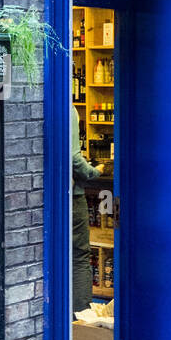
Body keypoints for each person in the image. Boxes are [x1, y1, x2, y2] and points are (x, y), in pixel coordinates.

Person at [72, 104, 101, 314]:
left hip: (45, 197)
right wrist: (94, 172)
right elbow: (75, 159)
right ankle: (81, 314)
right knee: (79, 256)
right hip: (72, 196)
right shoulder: (67, 108)